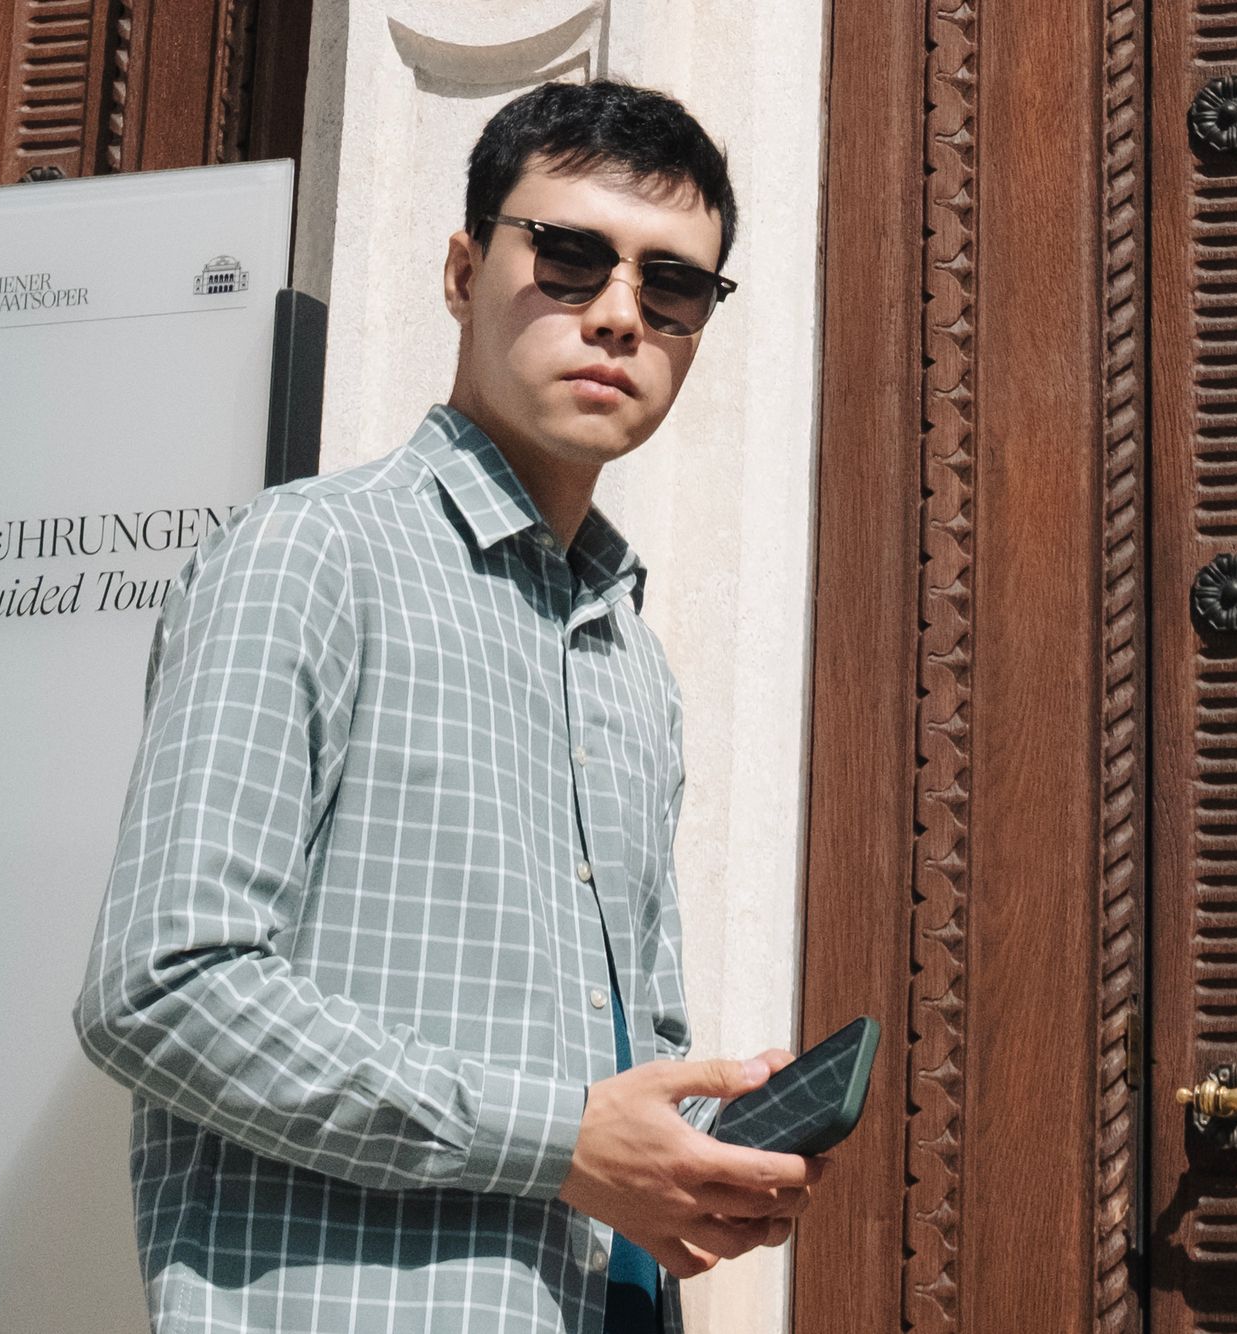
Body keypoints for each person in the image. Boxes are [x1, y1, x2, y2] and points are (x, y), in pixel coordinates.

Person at [72, 78, 825, 1334]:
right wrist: (557, 1139)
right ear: (463, 270)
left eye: (672, 286)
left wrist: (703, 1148)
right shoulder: (311, 555)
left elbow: (618, 1086)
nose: (619, 314)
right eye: (569, 257)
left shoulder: (631, 665)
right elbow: (158, 987)